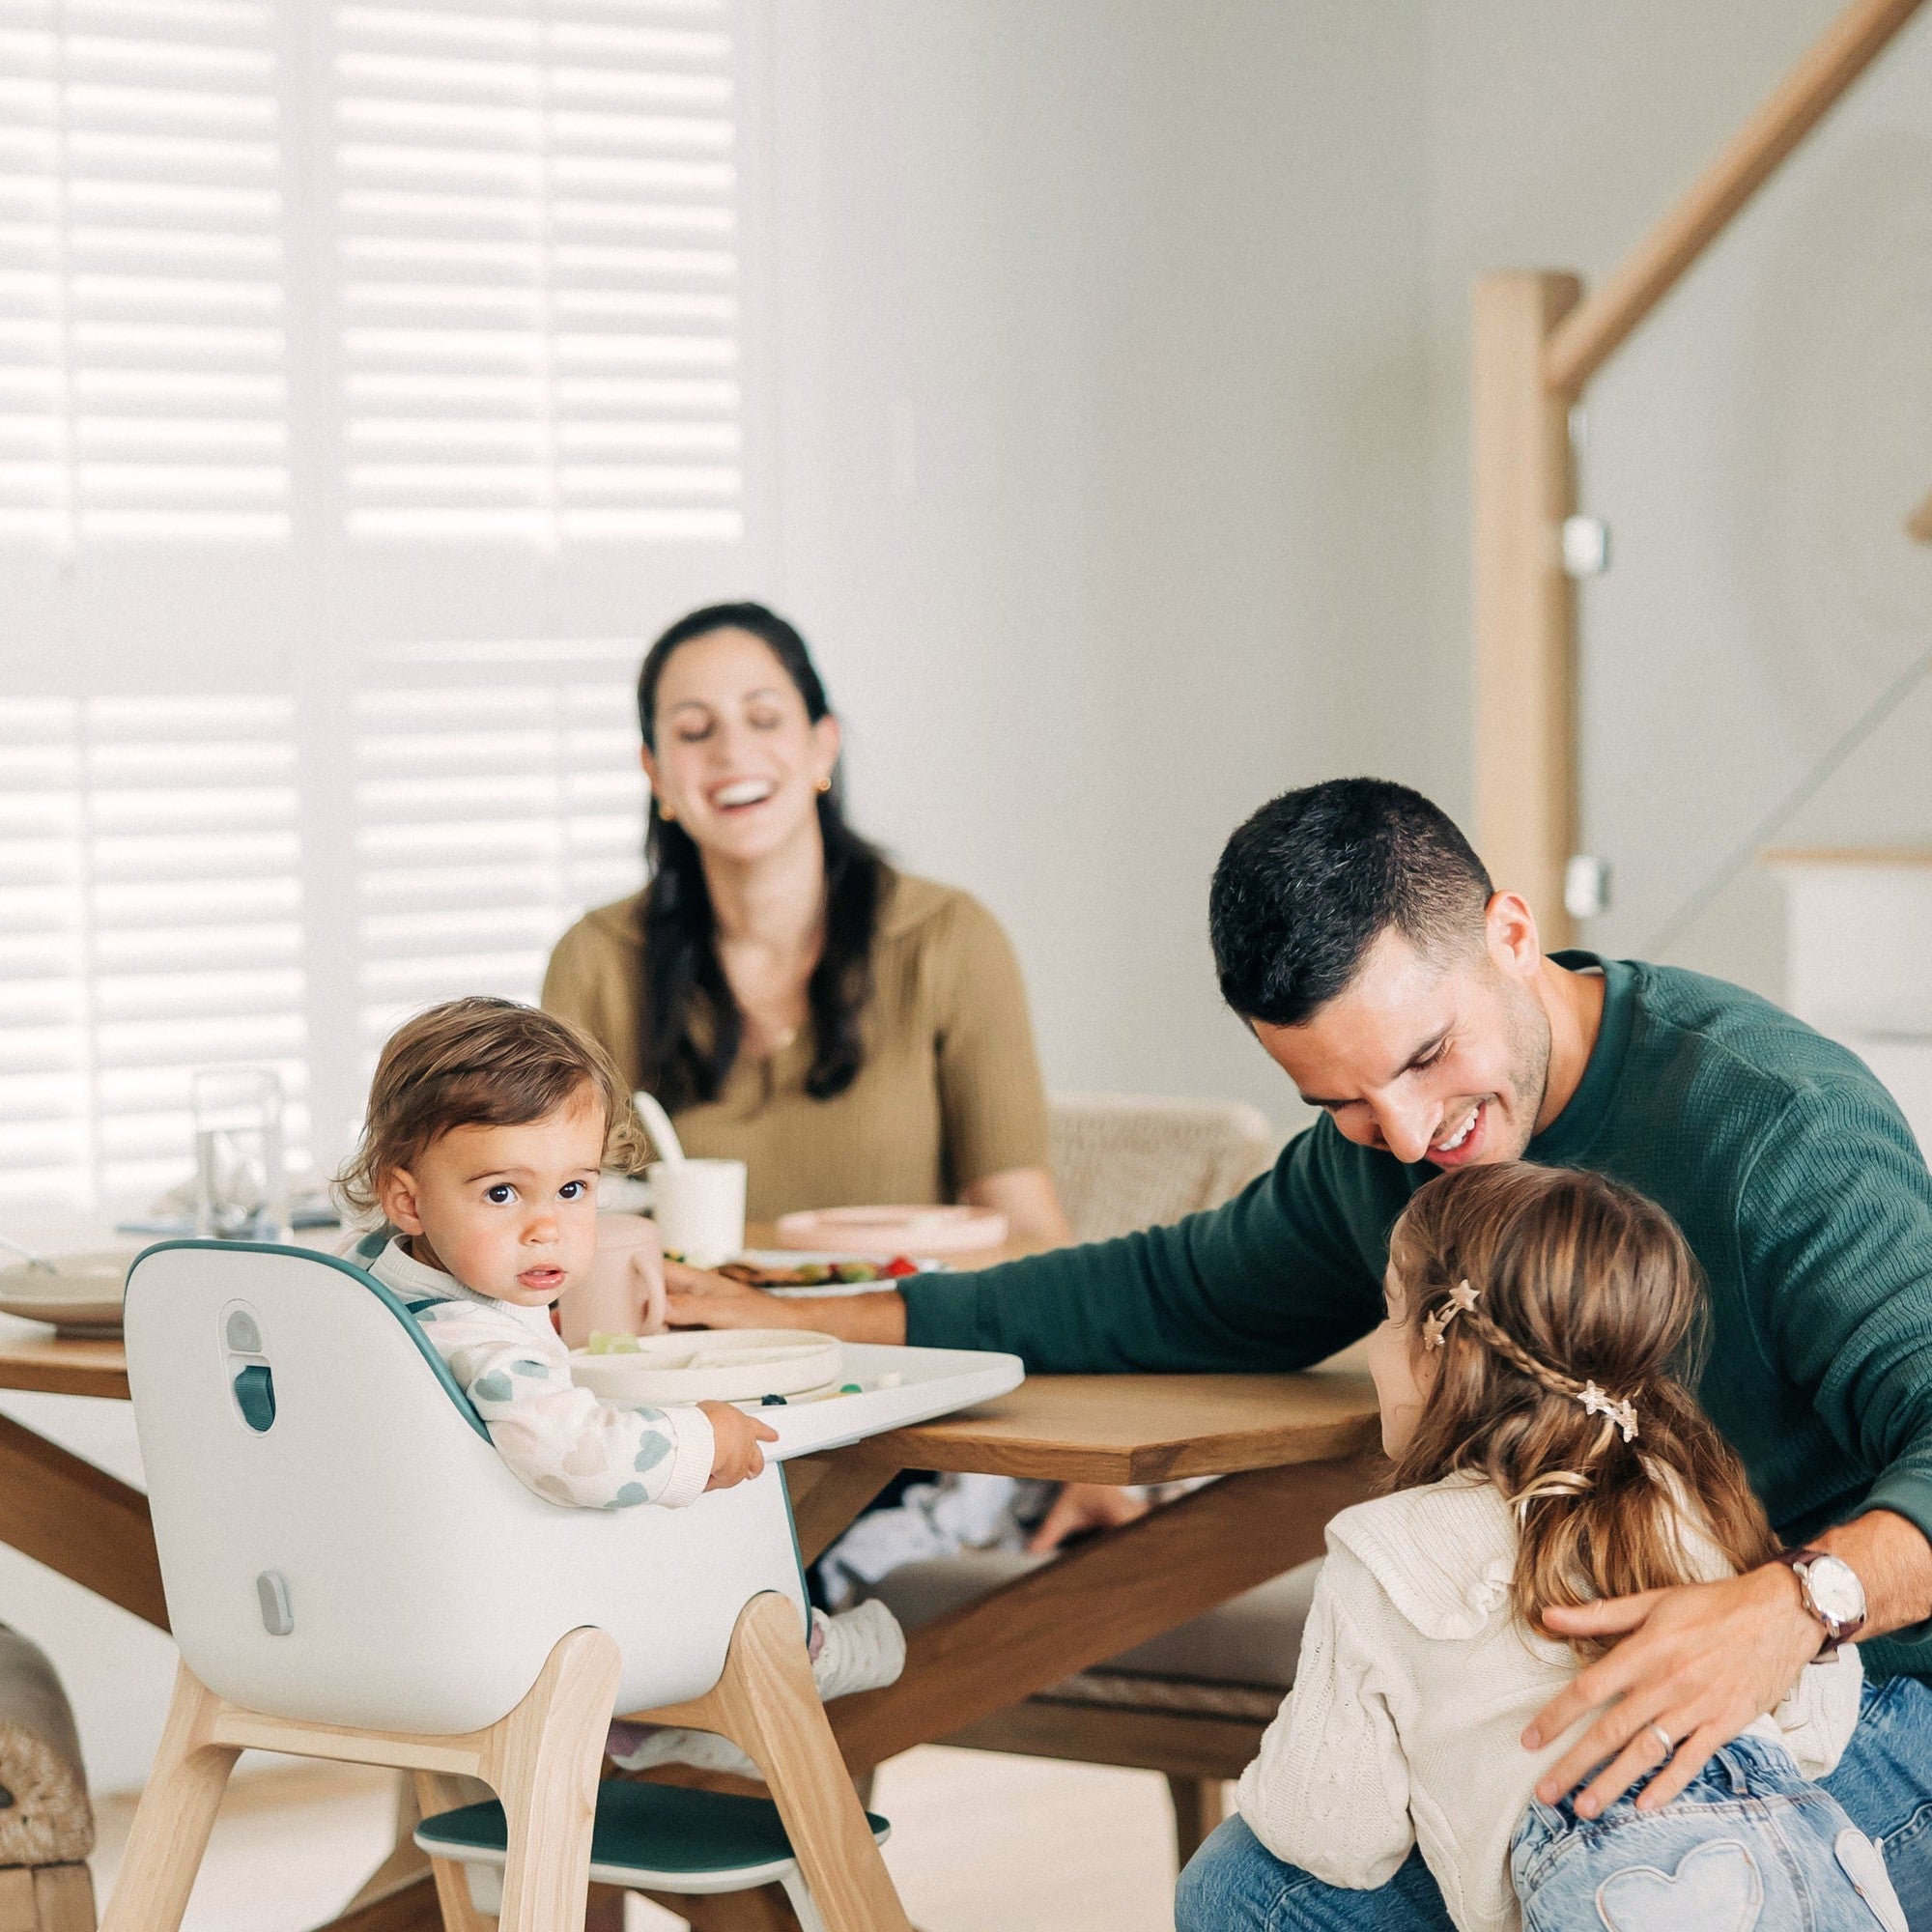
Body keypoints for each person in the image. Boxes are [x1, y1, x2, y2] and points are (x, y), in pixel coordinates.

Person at [662, 777, 1932, 1927]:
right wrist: (833, 1314)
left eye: (1428, 1056)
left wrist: (1791, 1609)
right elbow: (1161, 1293)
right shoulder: (1380, 1158)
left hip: (1868, 1696)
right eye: (1343, 1103)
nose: (1414, 1130)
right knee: (1252, 1896)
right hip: (1576, 1700)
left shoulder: (1777, 1133)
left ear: (1508, 932)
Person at [1228, 1158, 1894, 1932]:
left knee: (1232, 1887)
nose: (1377, 1345)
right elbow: (1814, 1733)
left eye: (1388, 1314)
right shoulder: (1697, 1493)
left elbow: (1336, 1838)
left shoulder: (1382, 1550)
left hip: (1619, 1898)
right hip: (1828, 1870)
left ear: (1443, 1345)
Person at [334, 996, 904, 1717]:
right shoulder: (470, 1335)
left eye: (573, 1190)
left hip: (403, 1602)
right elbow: (580, 1456)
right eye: (503, 1193)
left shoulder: (360, 1286)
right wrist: (702, 1437)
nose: (547, 1228)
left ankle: (634, 1733)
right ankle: (790, 1650)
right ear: (408, 1202)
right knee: (708, 1491)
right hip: (516, 1630)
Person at [541, 599, 1070, 1246]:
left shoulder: (951, 937)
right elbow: (555, 1227)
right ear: (654, 773)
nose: (733, 751)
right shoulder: (595, 959)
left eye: (763, 718)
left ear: (823, 745)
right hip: (690, 1342)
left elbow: (1025, 1228)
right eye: (693, 731)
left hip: (905, 1338)